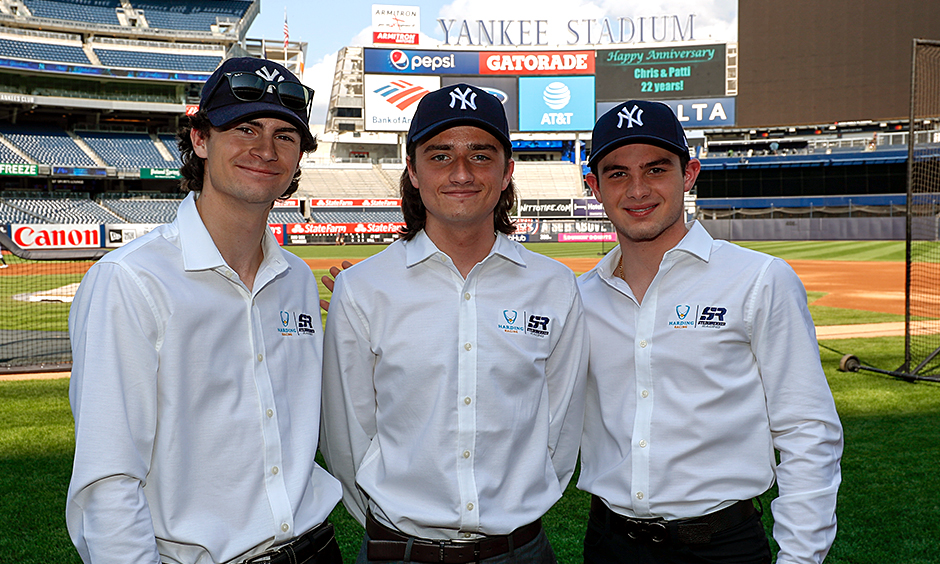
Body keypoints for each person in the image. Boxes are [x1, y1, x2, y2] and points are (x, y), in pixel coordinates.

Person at [66, 57, 343, 564]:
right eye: (245, 128)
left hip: (317, 548)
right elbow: (107, 480)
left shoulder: (297, 279)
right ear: (200, 139)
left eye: (285, 136)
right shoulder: (131, 280)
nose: (265, 149)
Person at [320, 83, 588, 564]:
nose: (461, 173)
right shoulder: (364, 288)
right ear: (413, 171)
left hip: (519, 551)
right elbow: (346, 437)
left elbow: (559, 428)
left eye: (480, 156)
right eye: (440, 155)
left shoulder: (554, 286)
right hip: (396, 551)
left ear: (507, 172)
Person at [577, 100, 843, 564]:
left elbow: (807, 429)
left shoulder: (760, 278)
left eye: (656, 169)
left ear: (689, 173)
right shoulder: (579, 298)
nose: (638, 189)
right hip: (610, 544)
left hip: (723, 547)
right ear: (594, 187)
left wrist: (801, 556)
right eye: (617, 173)